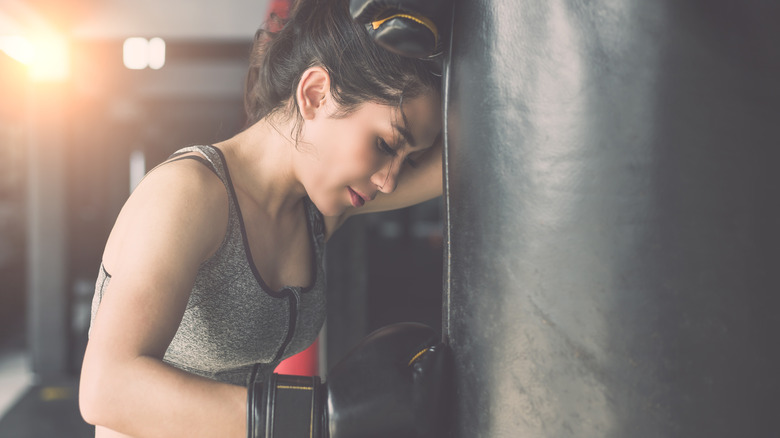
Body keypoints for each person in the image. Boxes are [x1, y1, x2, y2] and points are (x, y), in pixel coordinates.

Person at [78, 0, 444, 436]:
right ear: (315, 94)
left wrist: (458, 33)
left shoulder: (314, 210)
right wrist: (317, 418)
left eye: (408, 159)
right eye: (386, 144)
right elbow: (106, 388)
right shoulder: (188, 194)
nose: (389, 181)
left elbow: (467, 152)